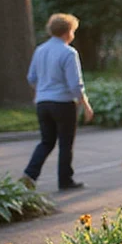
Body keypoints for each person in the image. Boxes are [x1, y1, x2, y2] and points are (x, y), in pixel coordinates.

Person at [22, 13, 94, 191]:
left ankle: (29, 175)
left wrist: (43, 90)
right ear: (68, 31)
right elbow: (75, 84)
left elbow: (31, 77)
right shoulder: (68, 52)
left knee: (46, 141)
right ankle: (65, 180)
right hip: (62, 103)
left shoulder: (40, 50)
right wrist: (86, 105)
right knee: (65, 143)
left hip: (42, 102)